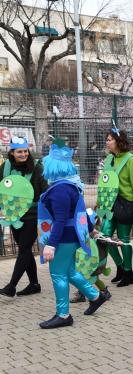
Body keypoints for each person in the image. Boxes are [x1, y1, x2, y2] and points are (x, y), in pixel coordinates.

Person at [37, 139, 107, 329]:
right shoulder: (71, 186)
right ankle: (95, 296)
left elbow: (60, 219)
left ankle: (63, 315)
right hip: (71, 237)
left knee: (58, 275)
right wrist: (91, 229)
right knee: (69, 272)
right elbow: (80, 212)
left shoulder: (59, 189)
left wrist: (51, 244)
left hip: (63, 239)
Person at [100, 129, 133, 287]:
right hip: (110, 204)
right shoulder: (108, 159)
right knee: (104, 237)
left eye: (110, 140)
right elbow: (105, 182)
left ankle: (128, 272)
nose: (107, 142)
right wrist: (100, 201)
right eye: (107, 139)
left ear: (119, 142)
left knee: (124, 239)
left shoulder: (131, 160)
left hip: (126, 204)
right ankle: (120, 266)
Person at [0, 137, 48, 298]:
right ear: (12, 153)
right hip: (14, 216)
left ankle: (11, 286)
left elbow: (45, 191)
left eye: (25, 151)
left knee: (24, 249)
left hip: (33, 215)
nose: (23, 154)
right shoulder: (5, 167)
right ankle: (34, 284)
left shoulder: (37, 168)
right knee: (24, 250)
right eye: (19, 151)